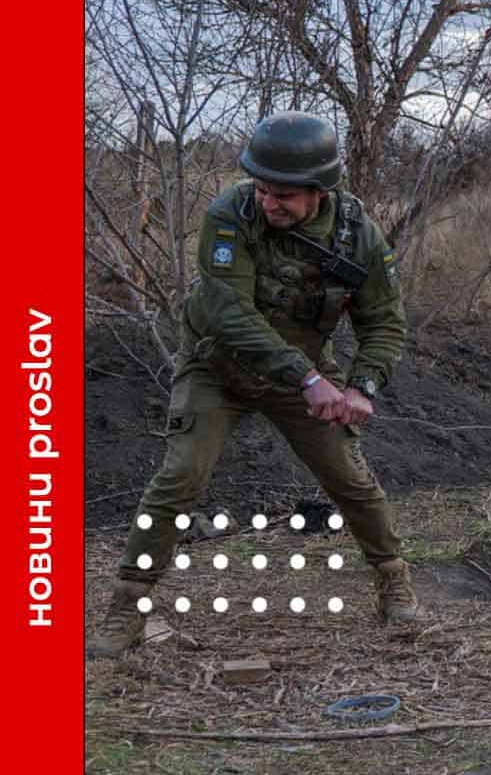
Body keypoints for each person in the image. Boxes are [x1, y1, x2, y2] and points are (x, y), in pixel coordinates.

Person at [87, 112, 417, 657]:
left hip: (302, 376)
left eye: (283, 195)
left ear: (319, 190)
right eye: (262, 189)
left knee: (350, 479)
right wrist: (308, 378)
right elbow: (227, 314)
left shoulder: (358, 236)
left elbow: (384, 320)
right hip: (219, 368)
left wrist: (362, 386)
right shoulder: (230, 214)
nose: (268, 203)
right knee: (180, 476)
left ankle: (393, 581)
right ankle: (128, 605)